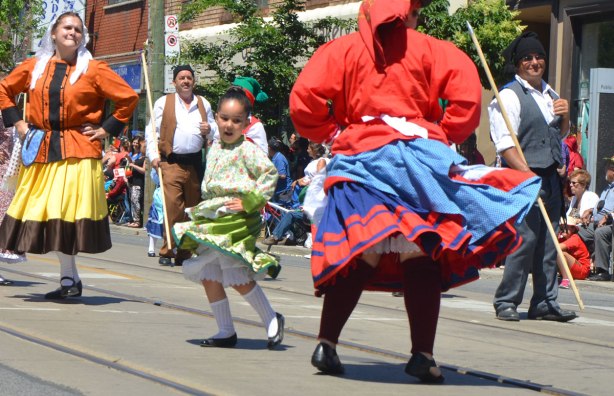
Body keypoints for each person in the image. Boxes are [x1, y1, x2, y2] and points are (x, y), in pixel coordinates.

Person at [290, 0, 541, 383]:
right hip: (416, 162)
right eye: (416, 10)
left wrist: (333, 131)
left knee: (363, 246)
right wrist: (442, 131)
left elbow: (304, 100)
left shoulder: (340, 50)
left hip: (361, 158)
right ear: (406, 12)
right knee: (419, 248)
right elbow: (466, 100)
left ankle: (327, 342)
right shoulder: (433, 49)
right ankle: (422, 354)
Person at [0, 12, 138, 298]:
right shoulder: (35, 67)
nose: (72, 32)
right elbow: (4, 88)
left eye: (78, 29)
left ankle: (67, 280)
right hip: (42, 149)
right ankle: (70, 280)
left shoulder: (94, 69)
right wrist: (19, 121)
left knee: (66, 215)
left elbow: (128, 98)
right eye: (67, 27)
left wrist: (106, 129)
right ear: (53, 32)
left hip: (78, 148)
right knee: (39, 210)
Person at [172, 86, 284, 349]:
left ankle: (271, 318)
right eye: (224, 118)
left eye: (236, 120)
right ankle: (225, 330)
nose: (229, 124)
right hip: (214, 216)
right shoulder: (213, 147)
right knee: (210, 274)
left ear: (246, 123)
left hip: (236, 219)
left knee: (235, 272)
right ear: (216, 119)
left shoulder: (249, 150)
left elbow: (270, 174)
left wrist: (250, 201)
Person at [489, 31, 577, 322]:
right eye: (528, 58)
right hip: (523, 178)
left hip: (551, 178)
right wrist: (527, 177)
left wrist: (564, 115)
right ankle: (506, 301)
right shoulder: (509, 96)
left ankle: (545, 302)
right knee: (524, 240)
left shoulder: (551, 93)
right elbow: (504, 144)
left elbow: (558, 135)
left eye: (539, 56)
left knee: (550, 243)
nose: (535, 62)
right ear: (518, 64)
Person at [145, 64, 218, 266]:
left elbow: (215, 132)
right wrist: (153, 157)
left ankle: (184, 253)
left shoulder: (204, 103)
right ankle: (168, 250)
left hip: (195, 165)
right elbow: (151, 131)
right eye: (181, 78)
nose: (185, 81)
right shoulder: (163, 102)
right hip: (171, 163)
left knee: (190, 210)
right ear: (174, 82)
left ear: (193, 81)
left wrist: (209, 129)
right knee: (173, 208)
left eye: (189, 77)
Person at [263, 142, 328, 246]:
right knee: (288, 212)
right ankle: (291, 236)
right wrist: (297, 181)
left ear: (314, 150)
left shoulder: (321, 161)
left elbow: (320, 180)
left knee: (291, 213)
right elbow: (310, 176)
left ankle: (275, 236)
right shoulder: (314, 161)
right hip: (304, 198)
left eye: (309, 148)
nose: (307, 150)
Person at [577, 158, 614, 281]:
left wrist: (607, 217)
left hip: (610, 224)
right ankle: (582, 265)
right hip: (598, 222)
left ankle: (602, 271)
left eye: (607, 167)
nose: (605, 169)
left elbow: (609, 211)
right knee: (578, 230)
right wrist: (590, 211)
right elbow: (603, 206)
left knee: (601, 233)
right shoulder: (607, 188)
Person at [213, 76, 269, 154]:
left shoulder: (256, 126)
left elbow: (262, 156)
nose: (229, 125)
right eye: (232, 95)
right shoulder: (221, 121)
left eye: (237, 120)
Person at [557, 222, 591, 289]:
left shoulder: (575, 238)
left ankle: (566, 280)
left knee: (559, 253)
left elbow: (557, 247)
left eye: (565, 227)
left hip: (582, 271)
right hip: (571, 268)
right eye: (561, 227)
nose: (563, 229)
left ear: (573, 229)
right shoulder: (562, 238)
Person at [126, 136, 146, 228]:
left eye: (140, 145)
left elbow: (144, 170)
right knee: (133, 200)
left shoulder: (145, 158)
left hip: (139, 182)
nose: (137, 146)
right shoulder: (139, 157)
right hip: (133, 181)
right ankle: (134, 220)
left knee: (136, 201)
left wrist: (133, 165)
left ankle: (138, 221)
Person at [268, 138, 293, 205]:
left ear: (269, 148)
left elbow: (282, 175)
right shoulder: (275, 157)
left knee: (282, 213)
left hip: (284, 192)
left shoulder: (279, 158)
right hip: (279, 190)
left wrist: (269, 174)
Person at [146, 169, 164, 257]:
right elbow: (154, 177)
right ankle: (151, 248)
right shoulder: (157, 164)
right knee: (155, 221)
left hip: (173, 193)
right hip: (160, 196)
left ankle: (172, 249)